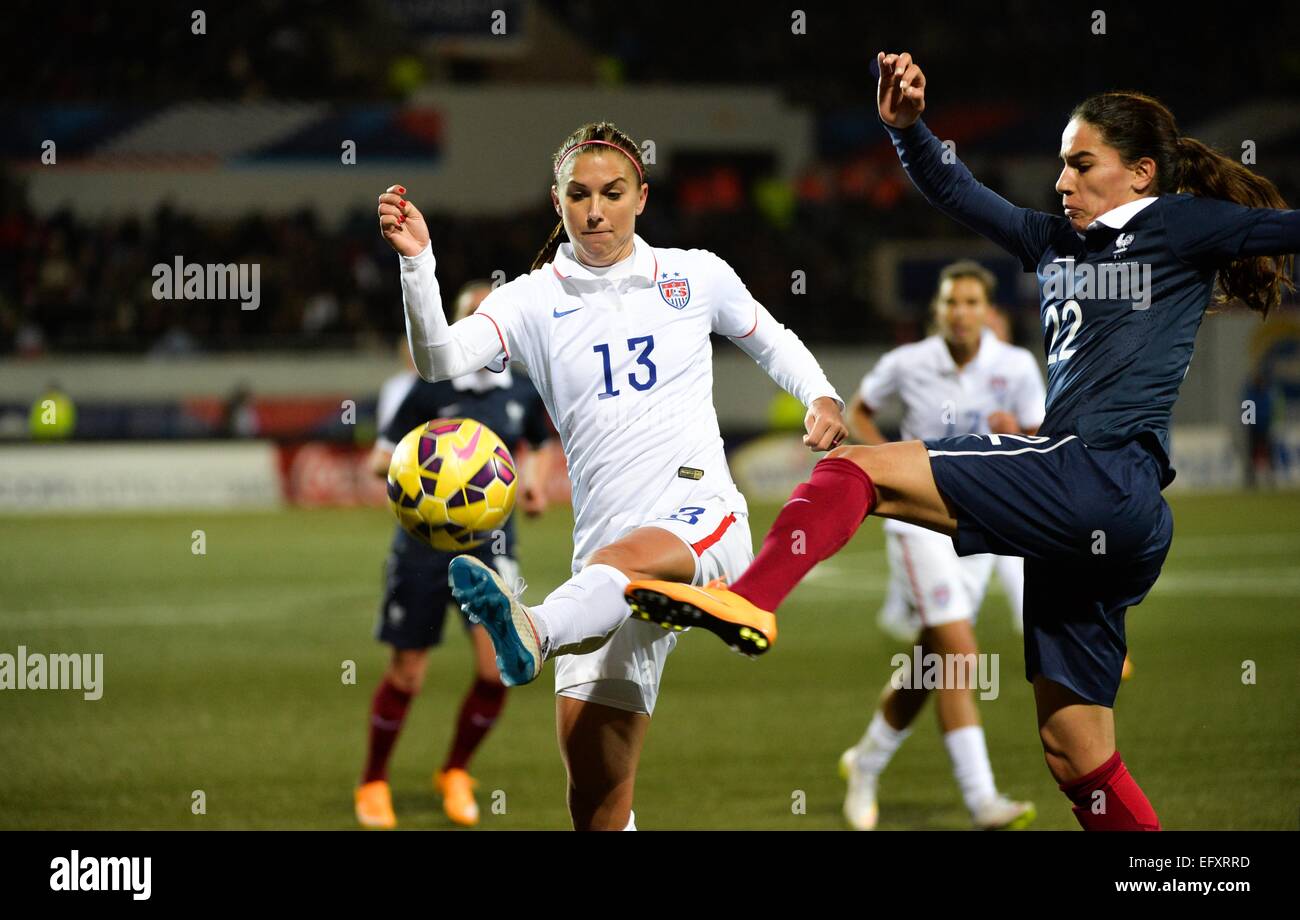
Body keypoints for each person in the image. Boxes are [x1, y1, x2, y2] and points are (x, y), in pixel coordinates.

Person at [627, 51, 1298, 831]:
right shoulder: (1051, 242)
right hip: (1094, 516)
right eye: (1060, 165)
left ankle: (748, 600)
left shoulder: (1178, 224)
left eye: (1082, 165)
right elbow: (954, 188)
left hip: (1100, 476)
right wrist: (908, 129)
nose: (1062, 182)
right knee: (1073, 749)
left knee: (856, 471)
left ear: (1142, 172)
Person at [379, 122, 847, 830]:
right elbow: (440, 358)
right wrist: (419, 264)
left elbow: (769, 337)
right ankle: (561, 622)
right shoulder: (531, 300)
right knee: (597, 800)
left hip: (700, 517)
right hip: (598, 563)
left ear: (641, 198)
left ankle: (532, 629)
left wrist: (820, 395)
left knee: (616, 571)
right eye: (579, 194)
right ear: (557, 202)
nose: (595, 209)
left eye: (612, 192)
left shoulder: (694, 275)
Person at [841, 260, 1043, 830]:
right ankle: (982, 802)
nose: (961, 313)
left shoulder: (1017, 365)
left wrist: (1022, 432)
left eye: (972, 303)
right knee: (959, 655)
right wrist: (886, 464)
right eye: (952, 302)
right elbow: (859, 408)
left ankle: (866, 763)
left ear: (989, 311)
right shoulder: (908, 363)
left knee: (931, 665)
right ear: (938, 310)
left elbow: (1041, 438)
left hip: (982, 526)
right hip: (918, 523)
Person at [354, 282, 556, 830]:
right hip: (423, 549)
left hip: (494, 548)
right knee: (407, 675)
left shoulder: (519, 391)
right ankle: (373, 781)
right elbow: (378, 462)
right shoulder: (428, 390)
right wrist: (426, 470)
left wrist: (532, 486)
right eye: (477, 318)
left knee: (498, 671)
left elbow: (536, 444)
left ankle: (455, 771)